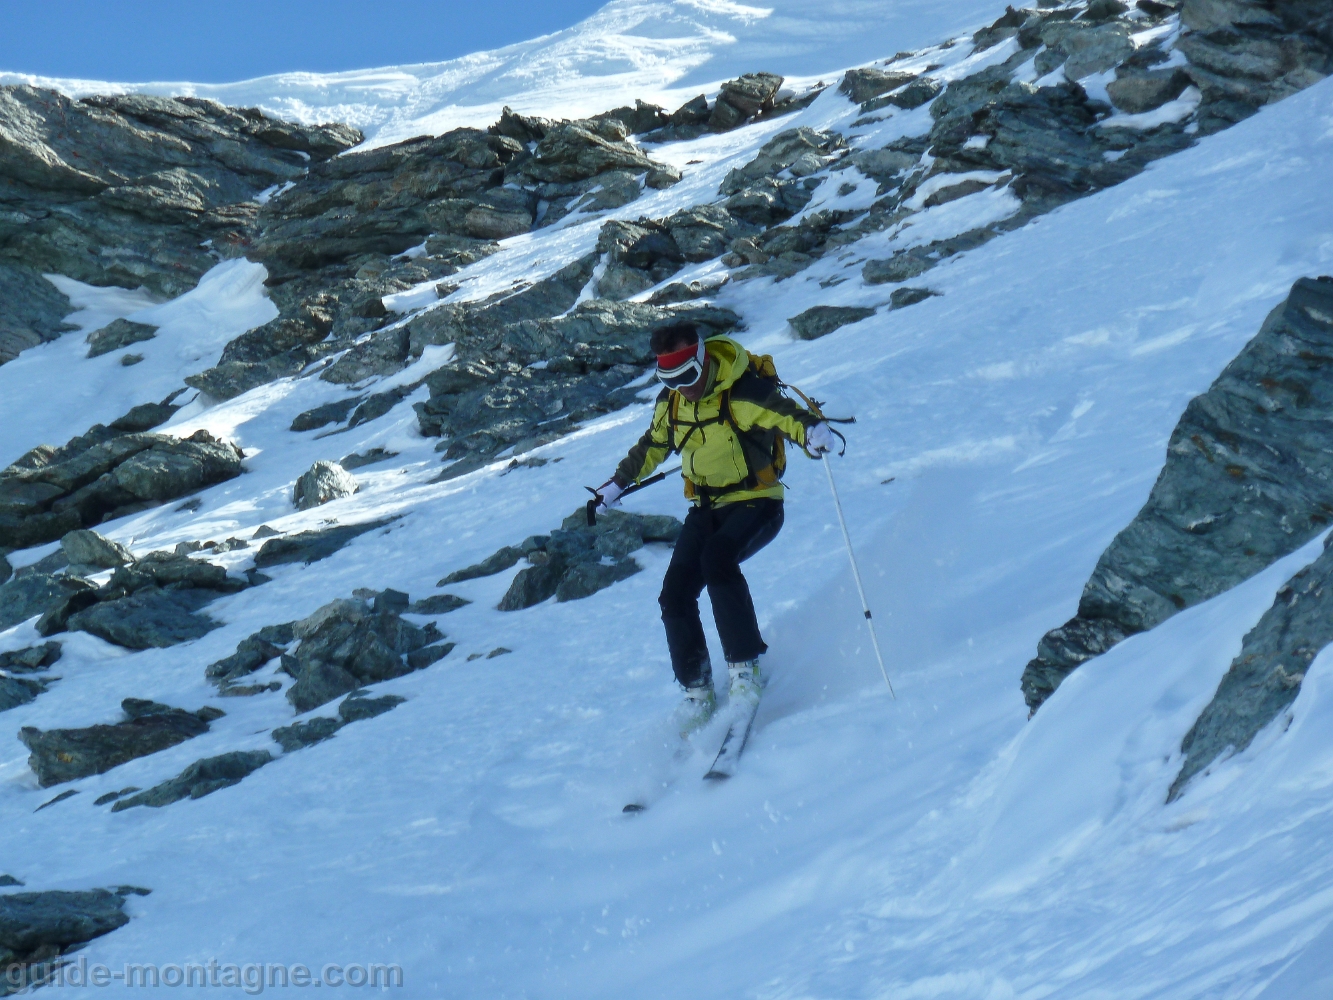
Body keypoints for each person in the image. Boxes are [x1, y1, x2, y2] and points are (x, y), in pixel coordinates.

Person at [593, 322, 837, 733]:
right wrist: (617, 483)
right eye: (668, 380)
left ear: (702, 359)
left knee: (718, 559)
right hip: (705, 508)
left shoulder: (741, 392)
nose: (682, 388)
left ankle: (744, 672)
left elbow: (788, 417)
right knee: (674, 593)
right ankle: (697, 689)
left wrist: (812, 433)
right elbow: (652, 445)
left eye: (687, 376)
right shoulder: (672, 404)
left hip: (757, 502)